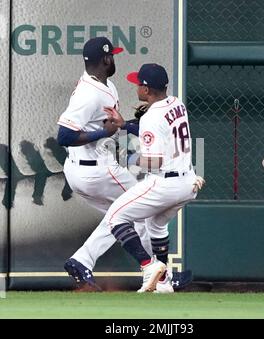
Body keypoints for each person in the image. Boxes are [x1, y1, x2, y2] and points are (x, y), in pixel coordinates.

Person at [57, 37, 193, 292]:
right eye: (114, 55)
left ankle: (81, 261)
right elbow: (63, 136)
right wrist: (103, 133)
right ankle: (161, 278)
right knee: (140, 212)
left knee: (119, 216)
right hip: (98, 170)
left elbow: (111, 125)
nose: (115, 59)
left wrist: (124, 125)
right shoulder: (89, 93)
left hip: (83, 169)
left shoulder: (100, 84)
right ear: (106, 59)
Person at [104, 63, 205, 292]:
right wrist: (126, 125)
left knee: (115, 217)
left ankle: (148, 265)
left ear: (147, 90)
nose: (136, 87)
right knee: (156, 225)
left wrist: (127, 158)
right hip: (187, 182)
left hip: (165, 183)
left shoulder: (151, 118)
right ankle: (164, 281)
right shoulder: (177, 103)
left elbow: (155, 162)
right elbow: (161, 130)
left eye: (138, 84)